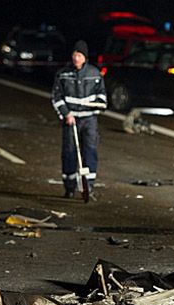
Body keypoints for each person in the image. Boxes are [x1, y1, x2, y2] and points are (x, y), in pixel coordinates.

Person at [51, 40, 107, 200]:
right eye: (75, 54)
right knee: (69, 153)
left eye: (80, 55)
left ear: (85, 57)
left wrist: (95, 107)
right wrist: (66, 114)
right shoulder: (63, 74)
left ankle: (88, 186)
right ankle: (69, 187)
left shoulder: (95, 74)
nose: (76, 58)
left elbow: (102, 97)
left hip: (89, 120)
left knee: (90, 152)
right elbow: (56, 97)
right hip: (71, 120)